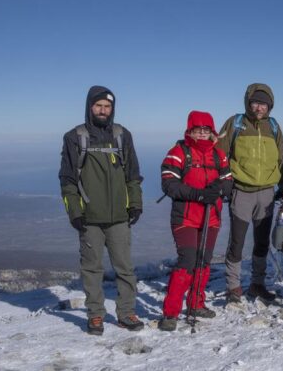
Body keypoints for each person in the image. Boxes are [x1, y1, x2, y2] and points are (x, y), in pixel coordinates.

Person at [59, 86, 144, 335]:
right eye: (98, 106)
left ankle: (126, 312)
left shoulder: (121, 135)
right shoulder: (75, 137)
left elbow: (133, 175)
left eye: (107, 107)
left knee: (125, 267)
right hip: (89, 217)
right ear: (89, 107)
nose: (103, 111)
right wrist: (74, 211)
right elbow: (67, 179)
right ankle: (95, 315)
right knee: (92, 268)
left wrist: (136, 203)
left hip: (119, 215)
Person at [157, 111, 233, 331]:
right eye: (198, 129)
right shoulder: (178, 153)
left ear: (212, 132)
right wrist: (200, 194)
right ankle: (171, 312)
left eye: (206, 129)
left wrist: (217, 189)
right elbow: (169, 185)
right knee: (187, 261)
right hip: (186, 217)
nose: (202, 133)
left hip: (212, 217)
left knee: (203, 261)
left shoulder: (219, 155)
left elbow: (228, 182)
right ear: (189, 130)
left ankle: (196, 304)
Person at [217, 84, 283, 303]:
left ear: (269, 106)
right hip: (242, 191)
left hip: (266, 193)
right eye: (255, 102)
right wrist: (225, 181)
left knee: (262, 242)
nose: (259, 107)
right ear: (248, 102)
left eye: (263, 104)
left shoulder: (273, 127)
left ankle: (258, 283)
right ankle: (233, 286)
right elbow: (220, 154)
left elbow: (281, 159)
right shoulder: (235, 123)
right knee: (236, 241)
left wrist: (282, 185)